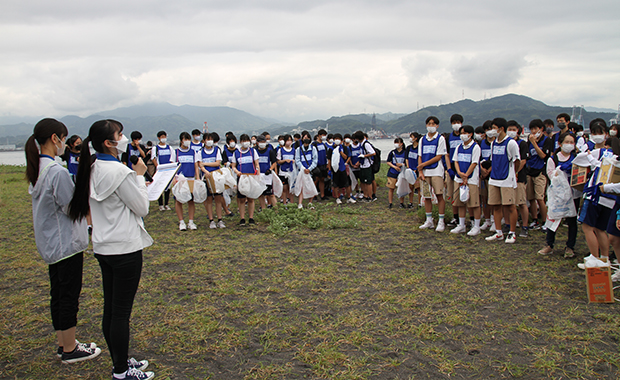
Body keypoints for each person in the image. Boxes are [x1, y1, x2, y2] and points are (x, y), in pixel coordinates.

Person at [69, 119, 154, 380]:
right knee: (120, 313)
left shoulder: (92, 167)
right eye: (120, 134)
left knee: (111, 309)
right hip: (125, 248)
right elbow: (142, 208)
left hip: (104, 246)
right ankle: (120, 371)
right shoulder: (120, 172)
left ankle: (121, 358)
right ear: (109, 142)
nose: (124, 137)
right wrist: (139, 177)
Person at [25, 119, 101, 364]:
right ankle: (70, 349)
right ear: (55, 139)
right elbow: (72, 207)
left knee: (57, 293)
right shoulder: (57, 171)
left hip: (51, 243)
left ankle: (63, 341)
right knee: (68, 294)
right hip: (65, 243)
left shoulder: (39, 168)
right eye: (63, 138)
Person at [538, 132, 580, 258]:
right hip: (557, 195)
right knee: (553, 217)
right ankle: (549, 244)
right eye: (566, 142)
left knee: (572, 220)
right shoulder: (553, 159)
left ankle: (570, 246)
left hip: (573, 194)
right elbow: (551, 175)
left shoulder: (577, 158)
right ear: (560, 143)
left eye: (571, 142)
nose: (569, 145)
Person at [484, 117, 521, 244]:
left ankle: (512, 232)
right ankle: (498, 232)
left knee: (510, 206)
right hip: (494, 178)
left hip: (507, 178)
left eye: (494, 128)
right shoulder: (494, 143)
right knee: (496, 205)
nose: (492, 131)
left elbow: (517, 161)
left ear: (501, 129)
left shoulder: (511, 143)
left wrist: (514, 174)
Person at [418, 116, 448, 231]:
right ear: (426, 125)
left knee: (439, 195)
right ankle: (429, 220)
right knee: (426, 196)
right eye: (429, 124)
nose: (431, 126)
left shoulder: (440, 139)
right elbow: (420, 156)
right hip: (425, 173)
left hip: (436, 171)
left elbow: (438, 156)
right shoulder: (422, 139)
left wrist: (423, 165)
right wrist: (420, 171)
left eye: (433, 124)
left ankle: (441, 220)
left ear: (437, 126)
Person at [451, 125, 482, 236]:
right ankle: (461, 224)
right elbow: (456, 161)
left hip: (471, 179)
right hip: (458, 178)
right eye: (461, 133)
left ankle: (477, 226)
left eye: (464, 133)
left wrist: (466, 176)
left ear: (470, 134)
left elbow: (474, 163)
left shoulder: (475, 147)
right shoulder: (459, 146)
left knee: (474, 203)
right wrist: (459, 173)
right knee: (460, 203)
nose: (462, 135)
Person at [525, 119, 551, 231]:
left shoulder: (546, 141)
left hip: (540, 171)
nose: (534, 131)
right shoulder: (528, 141)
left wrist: (534, 143)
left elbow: (543, 156)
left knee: (540, 198)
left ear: (541, 129)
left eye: (536, 129)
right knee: (531, 198)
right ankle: (535, 220)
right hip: (530, 171)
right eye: (532, 129)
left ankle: (545, 221)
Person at [196, 132, 226, 229]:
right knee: (208, 199)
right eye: (207, 139)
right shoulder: (200, 152)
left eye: (211, 139)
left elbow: (217, 163)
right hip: (206, 177)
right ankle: (211, 220)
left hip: (216, 177)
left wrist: (205, 164)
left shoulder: (217, 150)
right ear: (204, 141)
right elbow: (200, 165)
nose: (209, 141)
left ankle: (220, 219)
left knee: (218, 199)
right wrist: (204, 170)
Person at [231, 134, 260, 225]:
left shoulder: (252, 151)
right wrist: (236, 172)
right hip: (241, 178)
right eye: (244, 141)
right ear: (240, 142)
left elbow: (256, 164)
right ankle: (242, 218)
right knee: (242, 199)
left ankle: (251, 217)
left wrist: (258, 171)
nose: (245, 142)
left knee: (251, 198)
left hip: (251, 177)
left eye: (247, 140)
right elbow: (233, 166)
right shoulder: (236, 153)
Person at [510, 121, 531, 237]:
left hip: (519, 177)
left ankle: (525, 226)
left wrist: (515, 172)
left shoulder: (522, 144)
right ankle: (509, 224)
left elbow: (523, 160)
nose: (511, 131)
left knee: (522, 203)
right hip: (508, 178)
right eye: (510, 129)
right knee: (509, 203)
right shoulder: (506, 143)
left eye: (514, 129)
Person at [175, 132, 198, 231]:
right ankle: (181, 222)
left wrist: (197, 178)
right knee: (178, 200)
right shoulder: (175, 152)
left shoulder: (193, 152)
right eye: (185, 139)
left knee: (191, 200)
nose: (187, 141)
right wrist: (174, 179)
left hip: (191, 178)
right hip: (180, 179)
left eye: (188, 139)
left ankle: (191, 221)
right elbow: (173, 166)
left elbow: (196, 166)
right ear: (181, 141)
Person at [446, 114, 464, 225]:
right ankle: (455, 217)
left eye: (458, 122)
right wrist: (449, 169)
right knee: (453, 194)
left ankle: (469, 219)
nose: (456, 124)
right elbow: (447, 154)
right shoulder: (449, 137)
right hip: (452, 168)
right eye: (454, 122)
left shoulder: (464, 136)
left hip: (464, 168)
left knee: (465, 194)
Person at [152, 131, 174, 211]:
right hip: (160, 170)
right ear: (158, 138)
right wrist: (158, 168)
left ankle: (166, 204)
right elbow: (154, 159)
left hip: (168, 170)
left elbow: (172, 159)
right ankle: (160, 204)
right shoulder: (155, 148)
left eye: (164, 136)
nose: (163, 138)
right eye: (162, 137)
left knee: (167, 188)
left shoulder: (169, 148)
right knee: (160, 187)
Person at [295, 132, 319, 209]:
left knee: (311, 186)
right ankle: (300, 203)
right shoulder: (299, 149)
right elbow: (297, 160)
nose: (306, 140)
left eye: (307, 138)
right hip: (302, 171)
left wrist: (309, 169)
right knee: (301, 187)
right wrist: (303, 168)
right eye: (304, 138)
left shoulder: (313, 148)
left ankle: (310, 202)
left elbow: (315, 160)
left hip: (310, 171)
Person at [331, 133, 356, 204]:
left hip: (342, 168)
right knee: (336, 184)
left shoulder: (344, 148)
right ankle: (337, 198)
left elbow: (346, 157)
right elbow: (329, 160)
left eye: (338, 139)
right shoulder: (331, 148)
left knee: (346, 183)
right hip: (335, 169)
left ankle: (349, 197)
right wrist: (330, 170)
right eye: (335, 139)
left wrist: (340, 151)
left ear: (341, 141)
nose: (337, 141)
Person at [256, 135, 278, 209]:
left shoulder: (270, 151)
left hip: (267, 175)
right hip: (259, 174)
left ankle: (276, 209)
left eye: (264, 142)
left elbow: (274, 162)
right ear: (257, 143)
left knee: (271, 194)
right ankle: (263, 208)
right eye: (261, 142)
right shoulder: (255, 151)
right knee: (260, 194)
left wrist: (270, 169)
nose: (262, 143)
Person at [354, 131, 376, 202]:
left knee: (368, 182)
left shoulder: (366, 144)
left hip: (367, 165)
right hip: (362, 165)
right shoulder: (361, 144)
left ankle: (369, 197)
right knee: (363, 181)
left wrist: (364, 156)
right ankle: (365, 195)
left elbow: (373, 153)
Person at [386, 138, 407, 209]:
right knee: (391, 188)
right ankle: (390, 203)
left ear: (401, 144)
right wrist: (394, 167)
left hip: (401, 173)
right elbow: (388, 162)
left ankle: (401, 203)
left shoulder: (405, 152)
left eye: (397, 142)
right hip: (392, 172)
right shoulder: (392, 152)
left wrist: (402, 164)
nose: (396, 144)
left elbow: (407, 162)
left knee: (401, 188)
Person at [276, 134, 296, 205]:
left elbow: (296, 160)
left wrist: (293, 161)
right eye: (287, 140)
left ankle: (292, 203)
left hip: (291, 172)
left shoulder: (294, 150)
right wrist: (284, 161)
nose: (289, 142)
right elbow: (278, 161)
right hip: (283, 172)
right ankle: (284, 203)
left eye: (290, 140)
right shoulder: (281, 150)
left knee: (291, 189)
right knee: (284, 188)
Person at [405, 132, 421, 208]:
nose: (410, 138)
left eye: (412, 137)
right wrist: (408, 167)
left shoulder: (420, 148)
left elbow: (420, 159)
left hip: (417, 170)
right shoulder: (408, 148)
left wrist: (416, 169)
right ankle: (410, 202)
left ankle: (420, 203)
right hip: (410, 171)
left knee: (418, 188)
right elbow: (406, 158)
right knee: (410, 187)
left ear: (416, 138)